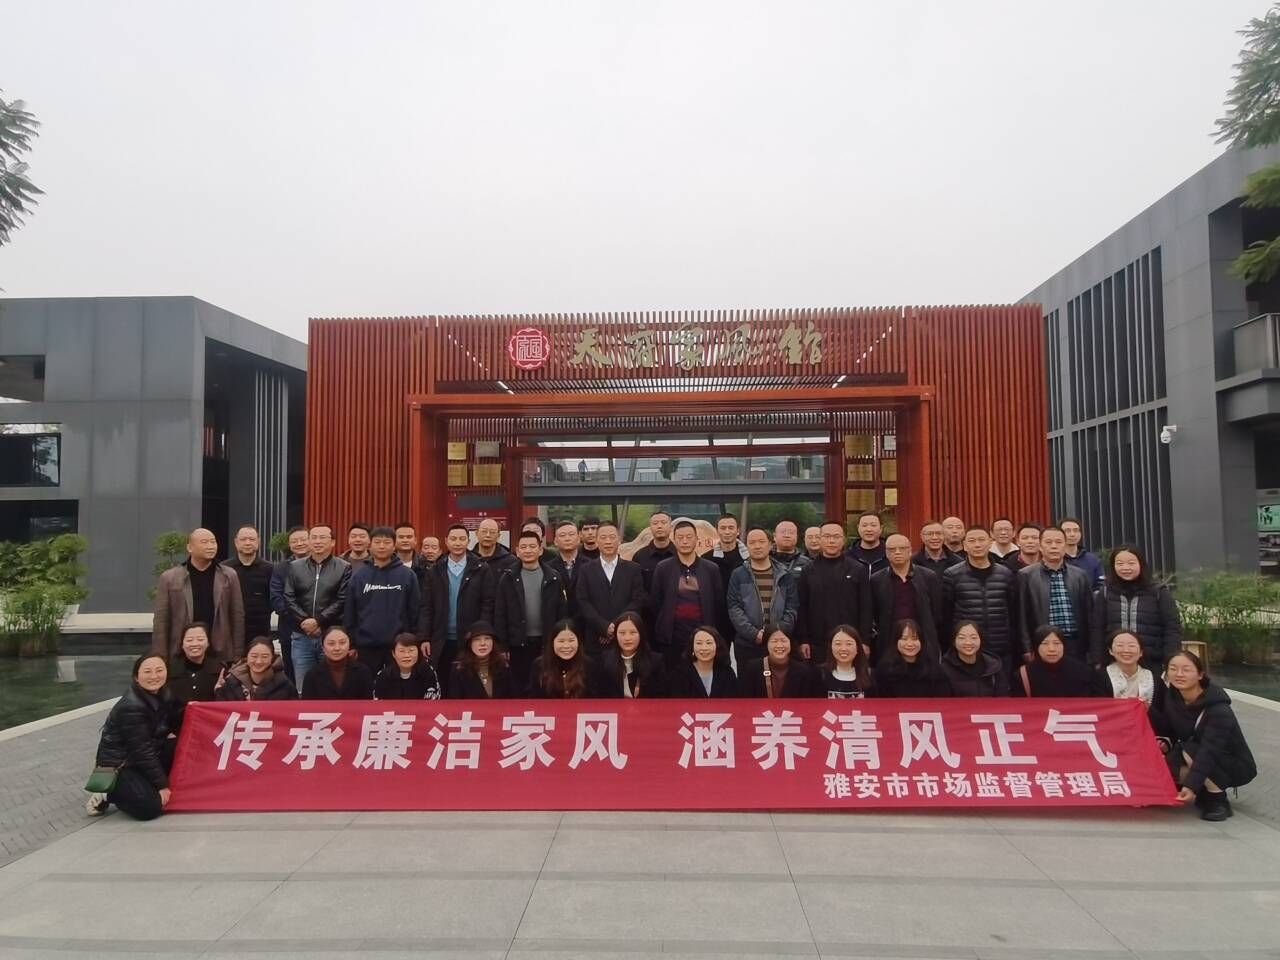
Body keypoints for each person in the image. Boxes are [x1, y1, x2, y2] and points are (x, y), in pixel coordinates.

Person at [1152, 651, 1257, 821]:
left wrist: (1191, 786)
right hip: (1194, 755)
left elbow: (1210, 751)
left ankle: (1217, 799)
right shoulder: (1173, 697)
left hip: (1232, 764)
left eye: (1186, 669)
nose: (1179, 674)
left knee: (1190, 750)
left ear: (1200, 674)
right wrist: (1147, 710)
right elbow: (1169, 728)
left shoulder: (1219, 709)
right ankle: (1205, 790)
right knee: (1162, 769)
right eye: (1173, 669)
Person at [86, 654, 181, 820]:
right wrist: (162, 786)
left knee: (176, 745)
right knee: (151, 808)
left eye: (159, 670)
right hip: (122, 765)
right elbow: (142, 750)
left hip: (144, 757)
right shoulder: (131, 707)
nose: (154, 676)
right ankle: (107, 792)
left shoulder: (165, 694)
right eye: (147, 672)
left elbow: (180, 716)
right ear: (136, 677)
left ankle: (140, 787)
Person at [152, 527, 245, 663]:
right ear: (190, 548)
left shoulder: (228, 575)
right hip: (181, 651)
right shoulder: (170, 578)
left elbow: (237, 616)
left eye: (213, 542)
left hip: (219, 650)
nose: (211, 546)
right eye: (204, 542)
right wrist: (160, 656)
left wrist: (237, 655)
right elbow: (161, 621)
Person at [942, 526, 1022, 678]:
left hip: (1001, 646)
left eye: (981, 540)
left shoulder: (1006, 574)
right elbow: (947, 614)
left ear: (990, 543)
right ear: (965, 545)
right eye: (972, 541)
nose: (977, 545)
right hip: (967, 648)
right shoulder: (952, 575)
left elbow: (1013, 612)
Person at [282, 523, 352, 693]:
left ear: (333, 542)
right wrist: (305, 621)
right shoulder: (295, 566)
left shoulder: (344, 567)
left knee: (332, 686)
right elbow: (289, 596)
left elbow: (342, 599)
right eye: (313, 537)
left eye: (322, 537)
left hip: (329, 635)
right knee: (303, 686)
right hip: (301, 635)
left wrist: (319, 621)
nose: (317, 541)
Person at [343, 525, 421, 674]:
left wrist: (412, 640)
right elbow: (350, 612)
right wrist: (351, 643)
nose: (382, 546)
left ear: (394, 545)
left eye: (387, 542)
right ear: (370, 545)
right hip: (366, 646)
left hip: (399, 646)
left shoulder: (407, 575)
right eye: (377, 542)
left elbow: (415, 611)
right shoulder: (359, 576)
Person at [493, 530, 569, 683]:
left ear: (540, 550)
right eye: (524, 547)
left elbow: (562, 612)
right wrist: (503, 646)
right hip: (517, 644)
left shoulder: (553, 577)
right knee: (519, 684)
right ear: (517, 551)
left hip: (546, 642)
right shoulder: (508, 577)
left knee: (545, 683)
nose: (528, 550)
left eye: (532, 546)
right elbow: (500, 614)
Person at [1090, 544, 1181, 669]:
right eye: (1119, 563)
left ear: (1141, 564)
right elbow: (1097, 628)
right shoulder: (1106, 592)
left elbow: (1172, 628)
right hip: (1114, 661)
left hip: (1151, 661)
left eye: (1131, 563)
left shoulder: (1158, 592)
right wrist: (1097, 660)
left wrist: (1170, 660)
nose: (1125, 568)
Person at [797, 521, 872, 665]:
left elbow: (866, 607)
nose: (831, 541)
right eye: (827, 536)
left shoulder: (857, 569)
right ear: (820, 539)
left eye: (836, 537)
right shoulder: (808, 570)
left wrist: (865, 640)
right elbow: (802, 607)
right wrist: (803, 639)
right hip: (817, 642)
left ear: (843, 540)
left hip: (850, 640)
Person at [424, 523, 493, 681]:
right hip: (441, 638)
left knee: (468, 681)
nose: (457, 543)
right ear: (446, 541)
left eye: (462, 539)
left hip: (470, 638)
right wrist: (424, 637)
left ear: (468, 541)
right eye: (453, 539)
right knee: (442, 680)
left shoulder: (481, 569)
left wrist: (481, 634)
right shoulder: (435, 570)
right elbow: (426, 606)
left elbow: (488, 604)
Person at [651, 520, 723, 667]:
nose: (685, 541)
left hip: (703, 637)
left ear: (697, 539)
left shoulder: (711, 568)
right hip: (672, 638)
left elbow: (718, 603)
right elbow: (656, 603)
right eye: (680, 537)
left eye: (689, 537)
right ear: (674, 540)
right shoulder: (663, 568)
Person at [1018, 526, 1094, 662]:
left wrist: (1092, 647)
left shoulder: (1080, 575)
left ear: (1065, 546)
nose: (1054, 546)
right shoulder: (1026, 575)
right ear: (1040, 546)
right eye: (1048, 542)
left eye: (1058, 542)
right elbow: (1021, 616)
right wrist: (1026, 648)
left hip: (1075, 643)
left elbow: (1089, 613)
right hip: (1043, 642)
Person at [727, 526, 799, 668]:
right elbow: (734, 608)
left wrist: (777, 633)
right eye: (752, 542)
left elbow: (792, 608)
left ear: (770, 544)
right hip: (747, 644)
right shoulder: (738, 574)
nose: (757, 546)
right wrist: (754, 634)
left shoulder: (784, 575)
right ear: (746, 546)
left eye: (761, 541)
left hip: (780, 642)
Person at [573, 521, 646, 653]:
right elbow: (583, 601)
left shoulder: (633, 569)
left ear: (619, 540)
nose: (608, 541)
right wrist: (603, 627)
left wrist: (615, 626)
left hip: (625, 637)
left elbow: (637, 600)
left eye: (612, 537)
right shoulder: (586, 570)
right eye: (603, 537)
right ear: (596, 541)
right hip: (595, 637)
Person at [870, 533, 943, 661]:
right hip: (889, 641)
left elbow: (937, 612)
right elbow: (874, 613)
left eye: (902, 548)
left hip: (922, 640)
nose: (897, 552)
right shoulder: (876, 580)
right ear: (886, 553)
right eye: (892, 549)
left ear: (910, 551)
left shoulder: (928, 577)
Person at [269, 524, 311, 684]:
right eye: (294, 541)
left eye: (303, 539)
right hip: (290, 630)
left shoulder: (323, 565)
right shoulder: (281, 569)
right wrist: (301, 621)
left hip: (319, 630)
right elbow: (276, 599)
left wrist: (317, 621)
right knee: (292, 678)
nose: (299, 543)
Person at [1016, 626, 1106, 698]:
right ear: (1036, 647)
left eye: (1056, 643)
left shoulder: (1083, 672)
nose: (1051, 649)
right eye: (1045, 644)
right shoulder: (1024, 674)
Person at [871, 620, 950, 698]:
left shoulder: (933, 668)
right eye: (904, 638)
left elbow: (942, 697)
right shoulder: (885, 669)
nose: (910, 644)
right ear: (895, 641)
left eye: (915, 638)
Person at [598, 612, 668, 698]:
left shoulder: (655, 661)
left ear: (641, 634)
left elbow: (660, 696)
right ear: (615, 635)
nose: (627, 638)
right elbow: (601, 694)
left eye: (633, 632)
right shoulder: (606, 658)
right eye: (622, 633)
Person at [738, 624, 817, 698]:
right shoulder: (753, 668)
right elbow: (745, 701)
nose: (779, 645)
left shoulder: (803, 671)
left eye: (783, 641)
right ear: (766, 644)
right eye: (774, 641)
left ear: (790, 643)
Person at [224, 524, 274, 642]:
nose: (248, 543)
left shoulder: (269, 569)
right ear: (236, 542)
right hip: (231, 629)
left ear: (258, 542)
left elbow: (273, 598)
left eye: (252, 539)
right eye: (243, 539)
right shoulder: (225, 569)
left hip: (261, 629)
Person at [528, 619, 600, 698]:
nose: (566, 646)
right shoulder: (539, 665)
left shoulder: (588, 665)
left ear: (579, 642)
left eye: (571, 640)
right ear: (552, 643)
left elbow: (595, 699)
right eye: (561, 641)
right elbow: (534, 699)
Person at [448, 621, 518, 698]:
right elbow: (455, 700)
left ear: (493, 642)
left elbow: (513, 698)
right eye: (477, 639)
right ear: (470, 643)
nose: (482, 643)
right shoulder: (459, 669)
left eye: (487, 638)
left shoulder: (503, 666)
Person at [301, 627, 374, 700]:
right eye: (331, 644)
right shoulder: (312, 675)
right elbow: (307, 705)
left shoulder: (363, 672)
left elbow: (368, 703)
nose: (337, 648)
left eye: (342, 643)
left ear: (349, 645)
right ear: (323, 647)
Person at [941, 622, 1010, 697]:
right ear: (954, 641)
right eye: (961, 638)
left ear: (980, 640)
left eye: (973, 637)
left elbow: (1003, 698)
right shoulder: (944, 669)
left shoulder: (993, 666)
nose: (968, 642)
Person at [216, 637, 297, 701]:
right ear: (246, 657)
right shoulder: (232, 682)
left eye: (264, 657)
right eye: (254, 656)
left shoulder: (284, 684)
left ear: (272, 658)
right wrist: (218, 691)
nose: (259, 661)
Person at [668, 625, 737, 697]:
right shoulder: (679, 674)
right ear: (692, 647)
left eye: (709, 643)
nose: (704, 648)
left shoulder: (727, 673)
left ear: (717, 646)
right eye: (699, 643)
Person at [1102, 630, 1164, 708]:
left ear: (1141, 652)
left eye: (1131, 646)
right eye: (1120, 645)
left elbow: (1161, 711)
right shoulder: (1100, 678)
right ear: (1110, 651)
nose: (1126, 650)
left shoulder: (1155, 680)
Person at [165, 621, 222, 704]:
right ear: (182, 644)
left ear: (208, 643)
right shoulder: (169, 670)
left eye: (200, 639)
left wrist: (220, 692)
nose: (195, 644)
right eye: (189, 640)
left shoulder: (219, 670)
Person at [374, 633, 442, 700]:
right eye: (401, 651)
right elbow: (378, 702)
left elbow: (434, 698)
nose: (406, 655)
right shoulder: (384, 675)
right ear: (393, 654)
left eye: (411, 650)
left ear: (418, 652)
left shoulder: (427, 672)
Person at [815, 625, 872, 698]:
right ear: (831, 647)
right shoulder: (819, 675)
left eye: (849, 644)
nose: (843, 649)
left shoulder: (869, 676)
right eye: (838, 644)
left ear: (857, 648)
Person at [632, 511, 675, 593]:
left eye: (663, 522)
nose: (659, 526)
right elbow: (636, 587)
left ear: (671, 527)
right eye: (655, 523)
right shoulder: (640, 556)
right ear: (650, 528)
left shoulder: (679, 554)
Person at [1060, 517, 1104, 587]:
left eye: (1076, 530)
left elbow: (1101, 584)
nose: (1072, 534)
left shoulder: (1093, 559)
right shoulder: (1055, 559)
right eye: (1067, 531)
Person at [394, 521, 433, 592]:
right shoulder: (386, 565)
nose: (405, 540)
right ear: (394, 540)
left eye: (409, 537)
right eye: (401, 537)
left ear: (415, 540)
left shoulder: (426, 567)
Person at [547, 520, 585, 586]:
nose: (567, 539)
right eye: (562, 535)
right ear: (555, 541)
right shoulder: (548, 568)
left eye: (571, 534)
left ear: (578, 539)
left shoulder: (591, 565)